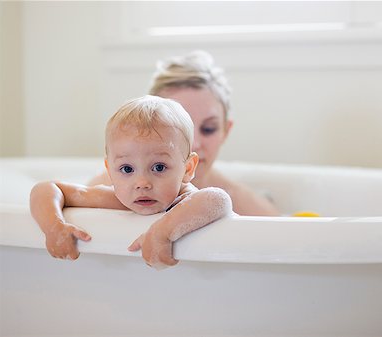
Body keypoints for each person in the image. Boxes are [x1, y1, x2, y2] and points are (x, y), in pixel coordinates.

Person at [30, 95, 233, 269]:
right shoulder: (115, 198)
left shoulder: (185, 199)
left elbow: (218, 200)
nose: (142, 182)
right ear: (110, 170)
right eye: (127, 169)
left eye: (159, 167)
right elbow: (46, 189)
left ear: (188, 169)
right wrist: (54, 227)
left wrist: (162, 232)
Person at [89, 51, 279, 216]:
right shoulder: (106, 191)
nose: (194, 143)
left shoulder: (248, 207)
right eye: (177, 131)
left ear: (225, 131)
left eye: (208, 129)